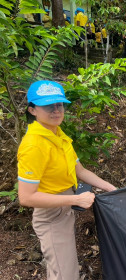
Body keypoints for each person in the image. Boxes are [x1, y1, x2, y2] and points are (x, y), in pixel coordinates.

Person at [17, 80, 117, 279]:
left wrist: (110, 187)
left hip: (64, 208)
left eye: (59, 105)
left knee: (61, 270)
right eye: (48, 106)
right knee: (66, 274)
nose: (56, 110)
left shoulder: (57, 135)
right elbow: (26, 198)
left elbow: (79, 170)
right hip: (51, 214)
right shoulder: (34, 146)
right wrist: (75, 200)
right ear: (32, 110)